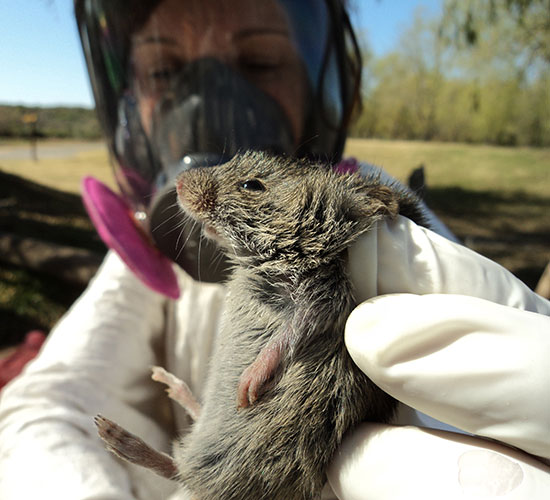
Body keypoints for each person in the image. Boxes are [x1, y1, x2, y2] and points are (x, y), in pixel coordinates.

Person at [0, 1, 549, 498]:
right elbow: (47, 403)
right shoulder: (154, 254)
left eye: (260, 63)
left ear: (335, 89)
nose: (204, 100)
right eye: (166, 71)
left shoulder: (373, 230)